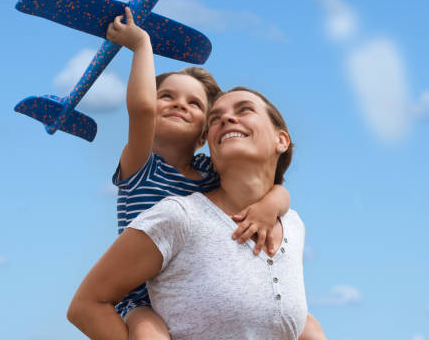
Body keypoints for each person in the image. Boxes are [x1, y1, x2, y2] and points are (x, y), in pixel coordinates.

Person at [68, 87, 326, 339]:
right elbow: (86, 306)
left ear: (281, 140)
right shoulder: (179, 217)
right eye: (215, 119)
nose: (226, 118)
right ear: (210, 148)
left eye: (244, 110)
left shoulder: (293, 224)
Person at [104, 8, 293, 339]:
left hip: (191, 293)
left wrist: (270, 207)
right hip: (140, 298)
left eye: (194, 104)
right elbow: (142, 109)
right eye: (167, 96)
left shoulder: (210, 172)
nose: (180, 104)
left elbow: (277, 190)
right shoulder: (141, 166)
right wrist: (141, 45)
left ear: (206, 133)